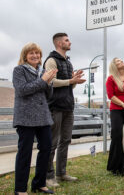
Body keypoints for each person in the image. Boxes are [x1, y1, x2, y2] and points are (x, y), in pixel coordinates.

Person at [13, 42, 57, 194]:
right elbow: (23, 90)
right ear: (25, 56)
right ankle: (20, 189)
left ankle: (39, 184)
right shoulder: (19, 70)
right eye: (31, 53)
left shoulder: (43, 72)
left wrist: (49, 83)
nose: (35, 56)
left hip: (43, 117)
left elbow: (49, 96)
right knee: (25, 153)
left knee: (46, 149)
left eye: (37, 53)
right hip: (25, 117)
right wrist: (43, 80)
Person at [44, 33, 86, 187]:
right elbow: (50, 82)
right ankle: (48, 177)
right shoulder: (51, 60)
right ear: (59, 43)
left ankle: (61, 173)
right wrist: (70, 80)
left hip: (68, 106)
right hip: (55, 106)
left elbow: (70, 85)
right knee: (52, 143)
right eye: (67, 40)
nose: (70, 42)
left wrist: (74, 80)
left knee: (66, 141)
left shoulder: (68, 63)